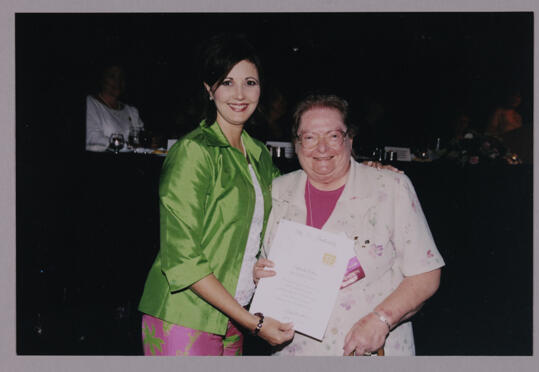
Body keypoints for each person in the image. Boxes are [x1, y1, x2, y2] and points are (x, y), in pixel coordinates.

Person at [137, 34, 295, 356]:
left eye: (249, 82)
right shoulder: (194, 152)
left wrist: (361, 172)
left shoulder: (260, 156)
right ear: (209, 90)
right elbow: (182, 260)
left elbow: (289, 201)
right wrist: (254, 324)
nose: (240, 94)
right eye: (227, 82)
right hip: (183, 316)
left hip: (233, 317)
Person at [254, 94, 444, 356]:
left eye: (333, 136)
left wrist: (382, 319)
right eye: (309, 137)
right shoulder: (277, 192)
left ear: (349, 139)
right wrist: (259, 274)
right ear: (296, 144)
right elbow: (262, 263)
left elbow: (426, 274)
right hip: (293, 351)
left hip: (371, 351)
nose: (322, 148)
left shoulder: (389, 188)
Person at [85, 63, 144, 151]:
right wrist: (125, 146)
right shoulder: (90, 103)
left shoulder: (132, 111)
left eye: (121, 77)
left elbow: (141, 138)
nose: (118, 81)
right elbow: (92, 137)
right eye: (112, 76)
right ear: (102, 79)